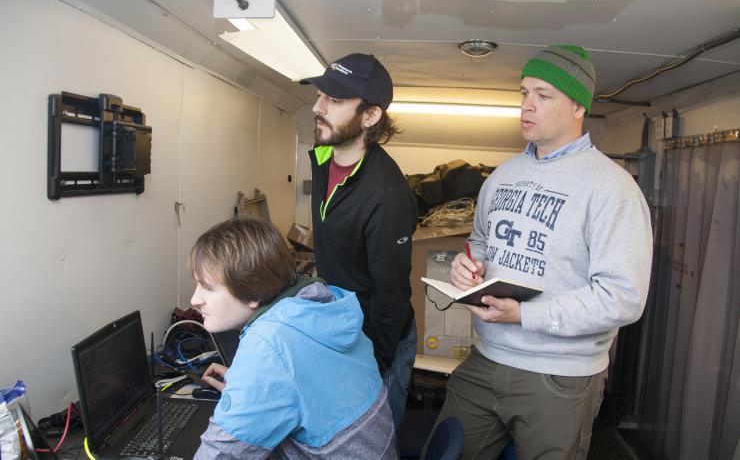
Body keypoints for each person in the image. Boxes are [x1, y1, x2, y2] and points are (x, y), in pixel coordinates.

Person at [426, 45, 653, 460]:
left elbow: (623, 298)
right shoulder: (504, 174)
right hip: (487, 357)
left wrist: (525, 314)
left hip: (559, 375)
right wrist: (467, 267)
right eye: (524, 93)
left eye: (543, 95)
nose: (527, 106)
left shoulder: (612, 188)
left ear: (578, 106)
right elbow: (479, 243)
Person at [190, 217, 396, 459]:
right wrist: (252, 385)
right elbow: (306, 380)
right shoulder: (319, 302)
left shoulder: (269, 342)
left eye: (207, 287)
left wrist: (256, 379)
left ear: (252, 289)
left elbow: (220, 453)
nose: (195, 300)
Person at [301, 53, 418, 433]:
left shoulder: (387, 195)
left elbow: (391, 298)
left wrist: (371, 366)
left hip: (379, 338)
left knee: (372, 438)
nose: (318, 107)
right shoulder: (322, 157)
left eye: (334, 101)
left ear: (370, 117)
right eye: (321, 95)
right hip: (343, 324)